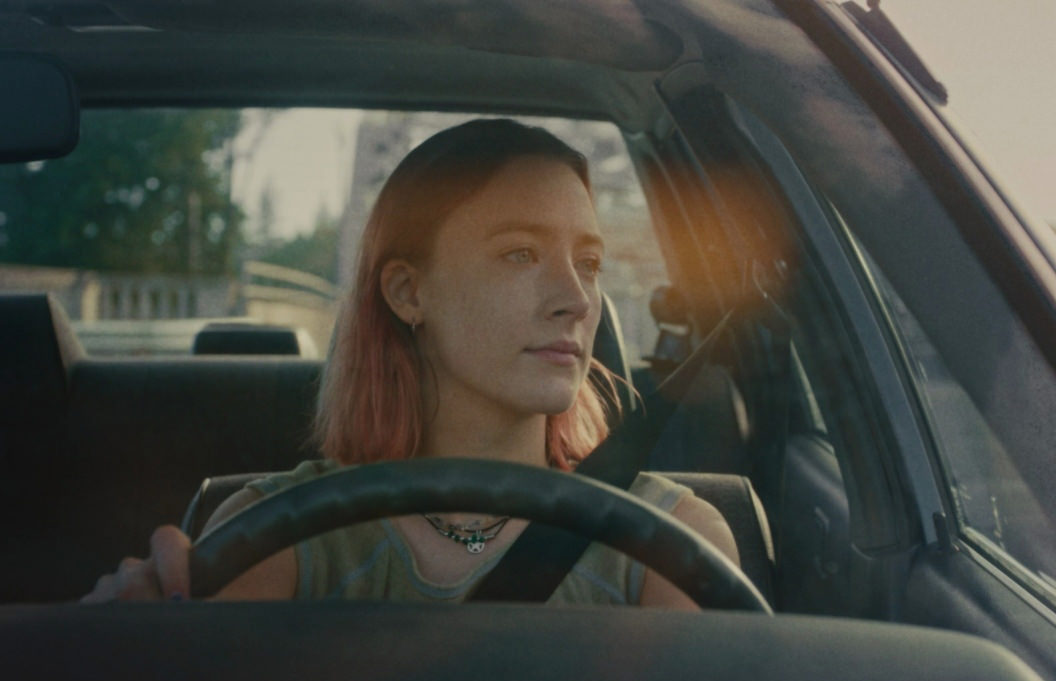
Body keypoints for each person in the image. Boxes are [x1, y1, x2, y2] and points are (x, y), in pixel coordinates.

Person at [81, 119, 738, 609]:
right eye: (520, 254)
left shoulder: (673, 543)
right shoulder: (277, 536)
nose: (578, 299)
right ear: (407, 292)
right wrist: (124, 648)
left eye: (589, 263)